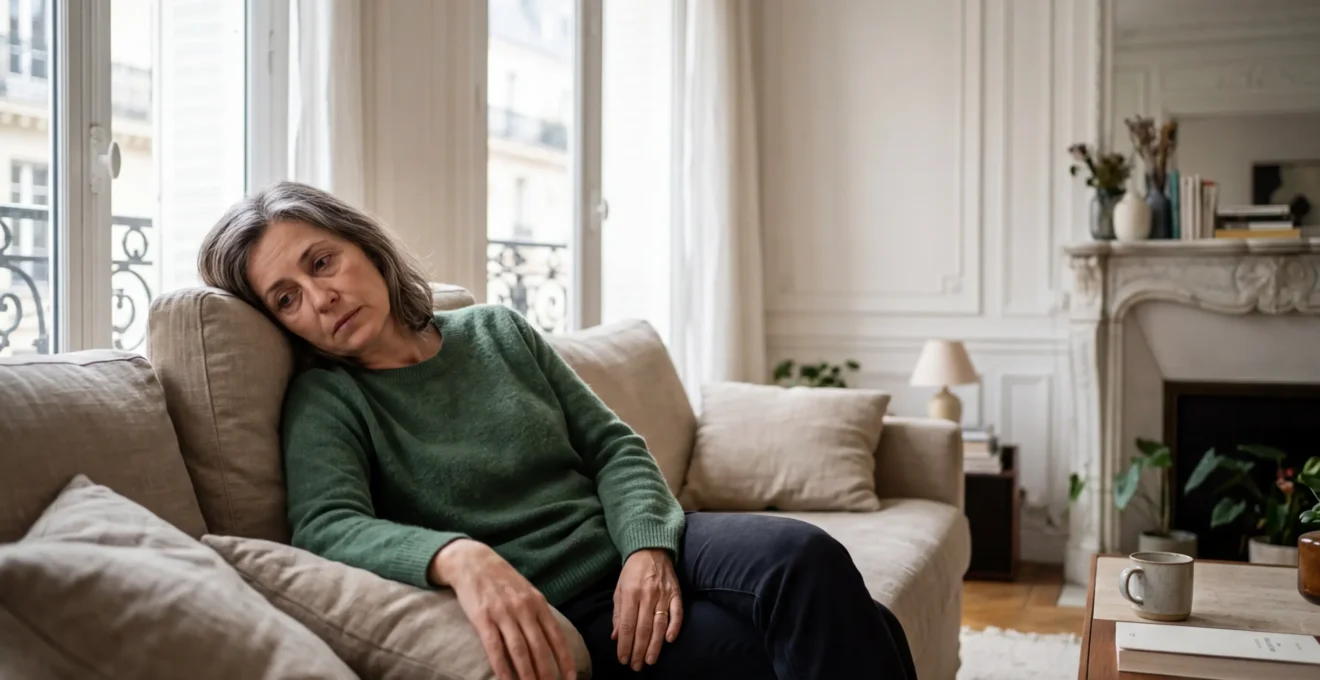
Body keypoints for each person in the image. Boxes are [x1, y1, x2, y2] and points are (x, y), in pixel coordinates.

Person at [197, 181, 918, 680]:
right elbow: (326, 525)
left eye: (322, 262)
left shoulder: (495, 330)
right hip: (573, 606)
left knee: (805, 554)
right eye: (286, 298)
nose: (320, 299)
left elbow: (613, 446)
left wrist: (646, 547)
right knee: (859, 635)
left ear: (364, 246)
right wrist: (460, 557)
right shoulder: (327, 401)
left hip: (641, 543)